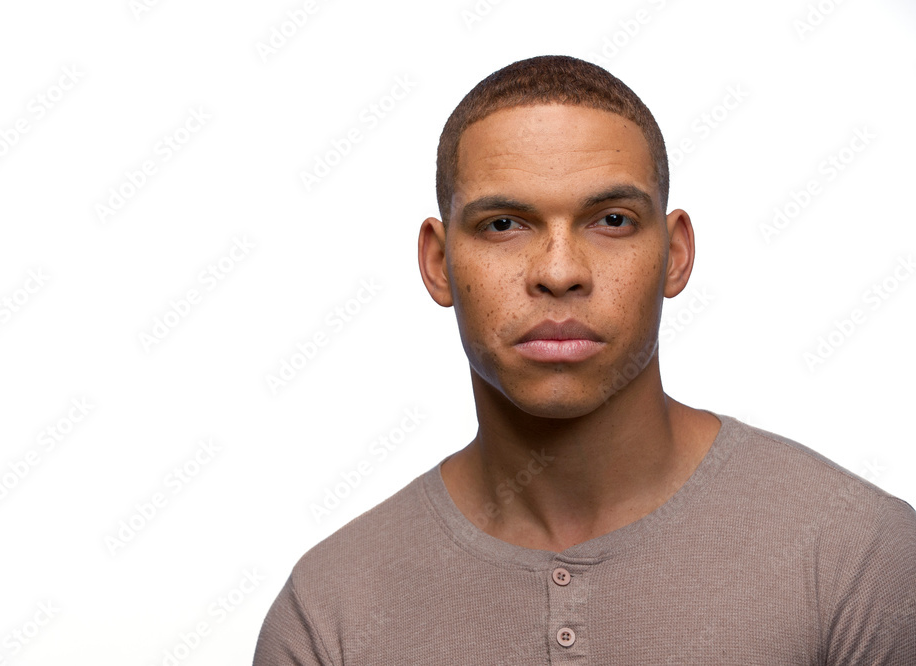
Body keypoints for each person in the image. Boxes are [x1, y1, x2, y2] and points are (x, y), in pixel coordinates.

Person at [253, 55, 916, 664]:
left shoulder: (860, 560)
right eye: (504, 225)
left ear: (676, 253)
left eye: (613, 220)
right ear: (438, 263)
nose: (560, 272)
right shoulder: (330, 612)